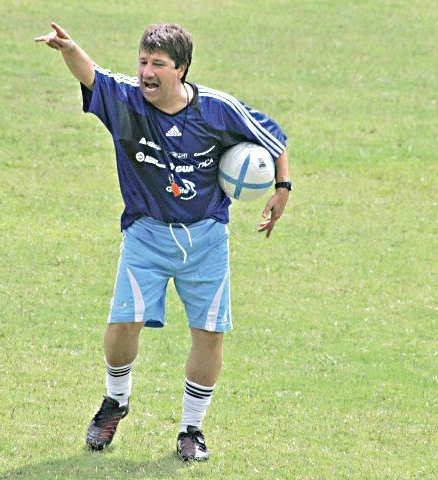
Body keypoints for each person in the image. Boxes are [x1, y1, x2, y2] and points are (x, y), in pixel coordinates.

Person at [35, 21, 291, 462]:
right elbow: (91, 74)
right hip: (146, 234)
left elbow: (273, 139)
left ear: (181, 69)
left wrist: (282, 188)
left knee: (209, 334)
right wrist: (69, 48)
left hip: (206, 239)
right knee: (123, 323)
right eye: (142, 62)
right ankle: (115, 400)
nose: (146, 72)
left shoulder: (217, 109)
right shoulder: (126, 101)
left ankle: (191, 429)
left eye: (158, 64)